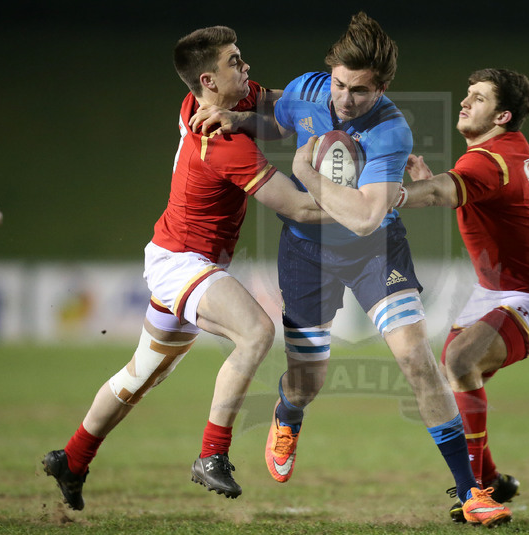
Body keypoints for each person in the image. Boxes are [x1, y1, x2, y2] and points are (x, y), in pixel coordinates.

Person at [190, 13, 511, 528]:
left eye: (359, 92)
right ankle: (288, 415)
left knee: (416, 359)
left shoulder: (390, 130)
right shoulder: (310, 90)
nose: (344, 100)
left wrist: (304, 174)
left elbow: (365, 218)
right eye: (340, 84)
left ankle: (470, 490)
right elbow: (278, 119)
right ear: (330, 75)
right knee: (307, 381)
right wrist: (241, 121)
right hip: (306, 253)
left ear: (380, 88)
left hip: (375, 250)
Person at [41, 25, 328, 512]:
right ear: (208, 81)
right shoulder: (220, 140)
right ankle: (212, 454)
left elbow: (281, 115)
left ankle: (73, 458)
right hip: (182, 263)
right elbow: (297, 208)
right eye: (234, 62)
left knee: (141, 374)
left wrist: (323, 105)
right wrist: (368, 205)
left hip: (181, 257)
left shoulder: (218, 102)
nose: (246, 67)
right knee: (256, 332)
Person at [399, 68, 529, 522]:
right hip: (495, 290)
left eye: (477, 98)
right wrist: (431, 180)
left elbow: (441, 193)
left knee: (459, 363)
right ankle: (490, 480)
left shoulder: (490, 159)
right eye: (466, 94)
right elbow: (458, 189)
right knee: (453, 375)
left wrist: (386, 195)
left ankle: (474, 491)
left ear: (503, 114)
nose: (464, 102)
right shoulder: (502, 151)